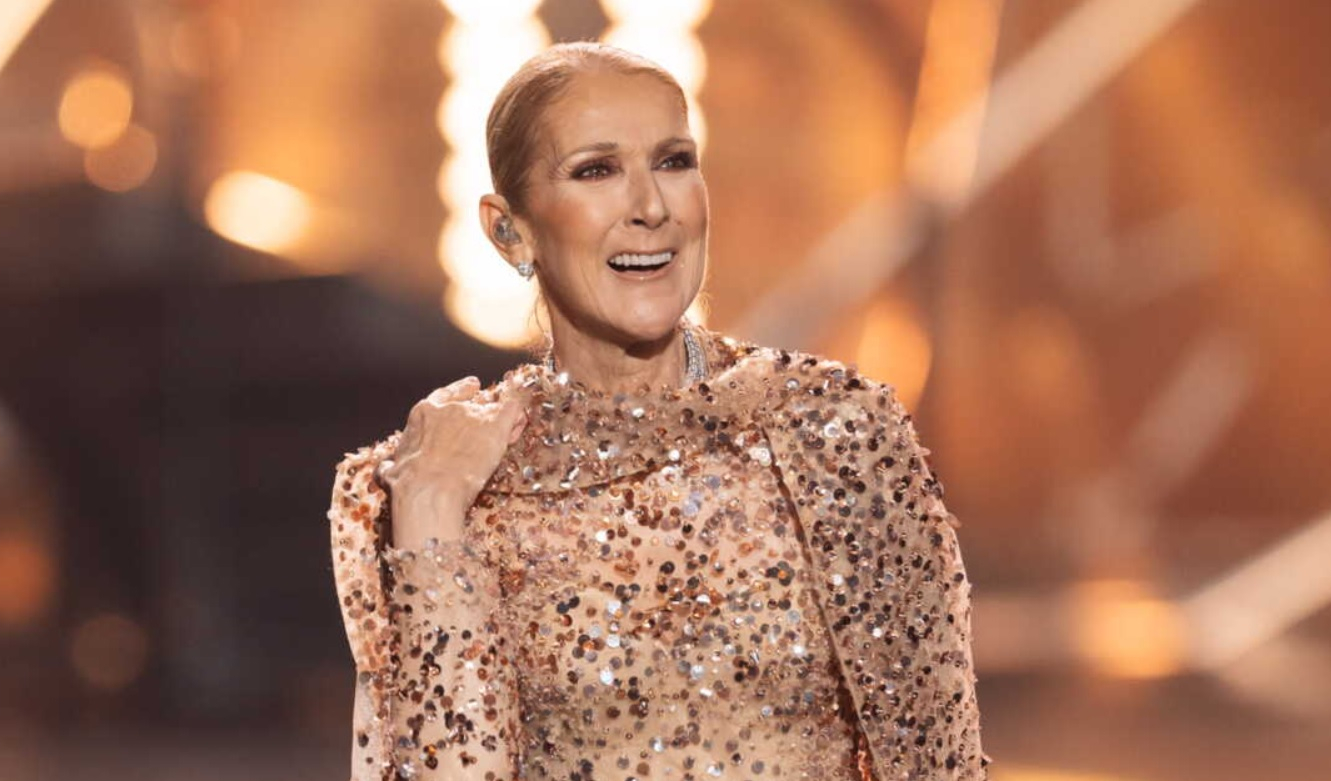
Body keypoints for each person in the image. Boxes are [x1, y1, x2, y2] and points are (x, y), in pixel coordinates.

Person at [328, 41, 989, 781]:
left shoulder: (832, 430)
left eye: (674, 162)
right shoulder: (462, 477)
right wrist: (431, 507)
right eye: (596, 170)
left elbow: (940, 762)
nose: (650, 208)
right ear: (509, 230)